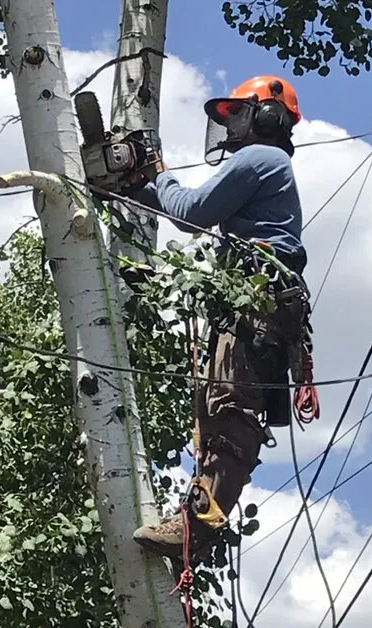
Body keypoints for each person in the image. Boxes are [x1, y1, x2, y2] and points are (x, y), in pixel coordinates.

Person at [129, 74, 314, 562]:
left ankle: (198, 525)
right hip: (250, 300)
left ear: (269, 117)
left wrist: (159, 176)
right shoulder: (259, 166)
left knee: (230, 409)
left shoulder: (262, 158)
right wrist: (133, 189)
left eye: (238, 116)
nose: (230, 129)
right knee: (214, 409)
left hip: (259, 299)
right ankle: (194, 515)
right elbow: (182, 208)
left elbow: (190, 212)